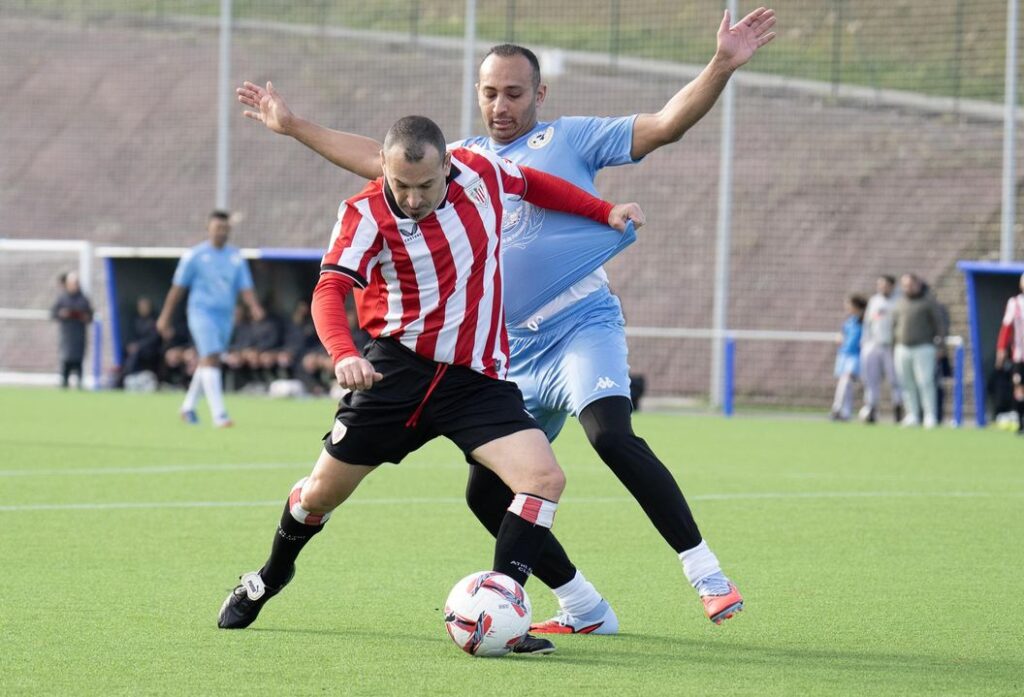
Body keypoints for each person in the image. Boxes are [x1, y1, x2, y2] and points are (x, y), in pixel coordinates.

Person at [235, 7, 775, 631]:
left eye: (515, 93)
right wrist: (295, 124)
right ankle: (581, 606)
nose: (501, 105)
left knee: (602, 441)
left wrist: (720, 67)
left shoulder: (567, 139)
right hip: (483, 355)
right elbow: (375, 165)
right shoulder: (456, 161)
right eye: (490, 92)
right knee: (474, 494)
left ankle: (701, 574)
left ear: (539, 93)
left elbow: (662, 126)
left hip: (561, 331)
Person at [216, 116, 644, 657]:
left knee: (542, 478)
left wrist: (604, 210)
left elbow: (535, 185)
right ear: (386, 172)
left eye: (424, 185)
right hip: (396, 374)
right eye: (400, 185)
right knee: (320, 495)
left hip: (476, 380)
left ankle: (502, 607)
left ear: (448, 165)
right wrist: (345, 354)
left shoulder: (482, 171)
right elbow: (329, 291)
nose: (412, 198)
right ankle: (270, 575)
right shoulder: (364, 214)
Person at [156, 211, 265, 427]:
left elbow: (246, 287)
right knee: (211, 355)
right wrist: (164, 318)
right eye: (217, 228)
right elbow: (177, 289)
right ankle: (219, 414)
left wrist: (254, 307)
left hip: (225, 317)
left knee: (209, 360)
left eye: (225, 228)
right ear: (208, 229)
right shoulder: (195, 256)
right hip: (201, 313)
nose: (221, 232)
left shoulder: (235, 257)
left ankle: (188, 407)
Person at [892, 274, 947, 429]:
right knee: (906, 383)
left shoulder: (928, 302)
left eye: (910, 285)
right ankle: (912, 414)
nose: (907, 288)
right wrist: (893, 346)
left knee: (925, 382)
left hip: (924, 347)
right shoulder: (900, 303)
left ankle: (930, 415)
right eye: (905, 285)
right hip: (902, 347)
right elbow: (894, 325)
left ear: (917, 284)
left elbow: (939, 325)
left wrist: (940, 346)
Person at [858, 275, 903, 424]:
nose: (882, 288)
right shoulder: (874, 300)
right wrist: (865, 342)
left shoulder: (899, 300)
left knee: (894, 379)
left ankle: (898, 408)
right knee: (871, 380)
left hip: (891, 345)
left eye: (885, 285)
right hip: (874, 344)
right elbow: (867, 323)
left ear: (892, 286)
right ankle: (871, 408)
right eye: (879, 285)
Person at [51, 270, 94, 389]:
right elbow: (53, 313)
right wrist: (62, 314)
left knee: (78, 359)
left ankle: (79, 382)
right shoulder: (62, 298)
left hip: (79, 334)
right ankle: (64, 381)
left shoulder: (83, 299)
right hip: (66, 334)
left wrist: (85, 317)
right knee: (65, 358)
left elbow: (90, 315)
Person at [995, 272, 1024, 435]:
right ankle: (1020, 423)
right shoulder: (1015, 303)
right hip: (1020, 356)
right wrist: (1001, 349)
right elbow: (1006, 329)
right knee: (1019, 387)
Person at [831, 294, 866, 421]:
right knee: (846, 384)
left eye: (849, 304)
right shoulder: (849, 321)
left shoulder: (864, 321)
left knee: (846, 381)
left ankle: (838, 408)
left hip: (855, 356)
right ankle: (845, 412)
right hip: (844, 354)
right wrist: (839, 337)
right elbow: (843, 333)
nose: (846, 307)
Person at [118, 296, 162, 387]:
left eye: (145, 306)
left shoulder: (154, 320)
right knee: (124, 351)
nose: (143, 309)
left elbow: (154, 338)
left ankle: (122, 379)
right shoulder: (135, 319)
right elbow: (130, 335)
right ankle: (122, 375)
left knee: (135, 353)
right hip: (137, 348)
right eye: (141, 306)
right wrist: (130, 345)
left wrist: (139, 345)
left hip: (150, 349)